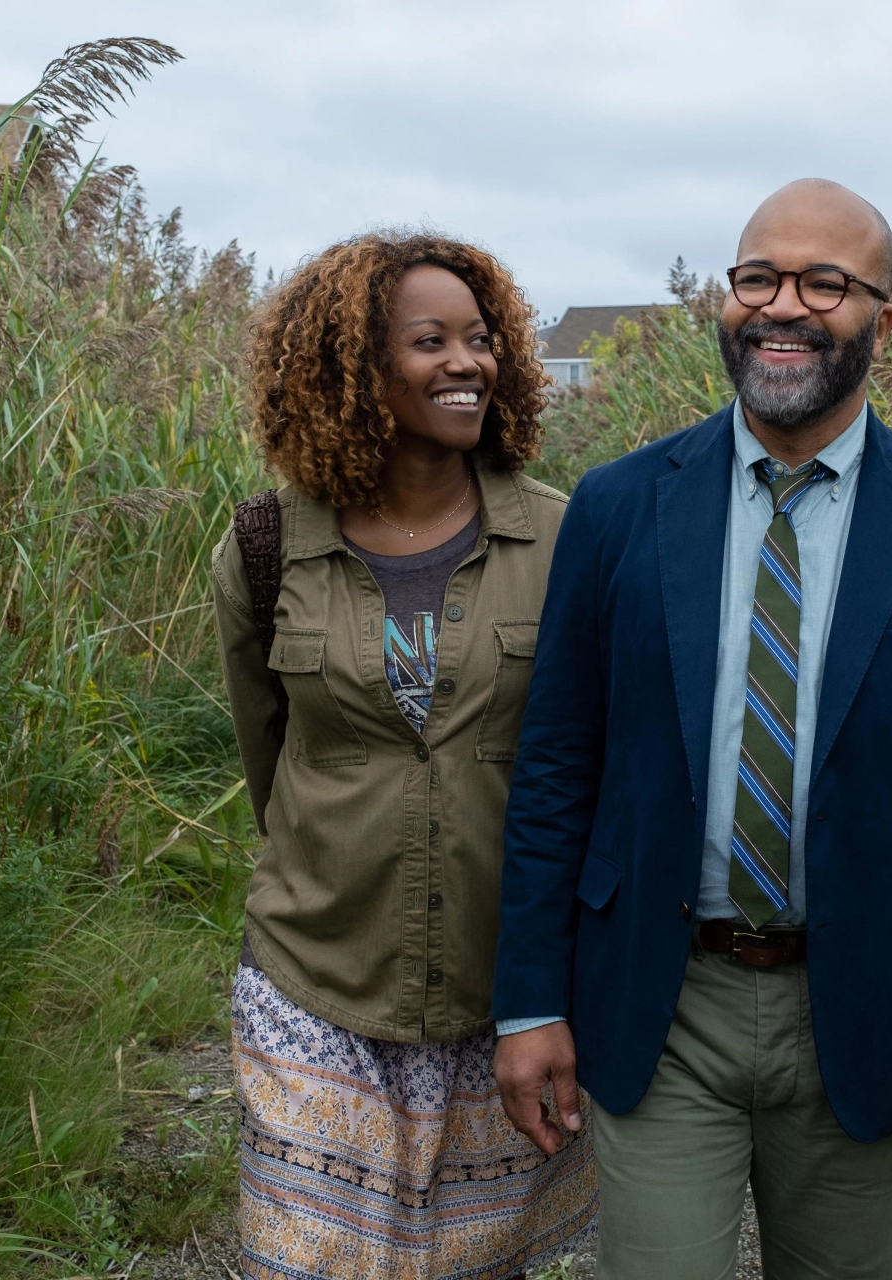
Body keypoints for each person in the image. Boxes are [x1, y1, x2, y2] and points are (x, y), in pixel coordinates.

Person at [490, 179, 892, 1278]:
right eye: (758, 276)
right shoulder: (618, 507)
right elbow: (558, 764)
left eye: (826, 282)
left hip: (857, 1000)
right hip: (661, 998)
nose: (783, 306)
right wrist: (527, 997)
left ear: (884, 321)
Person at [213, 232, 596, 1280]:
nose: (465, 361)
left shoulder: (569, 541)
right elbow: (271, 756)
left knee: (476, 1264)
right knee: (310, 1261)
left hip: (500, 990)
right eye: (430, 340)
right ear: (351, 367)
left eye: (481, 339)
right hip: (314, 975)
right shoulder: (265, 546)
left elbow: (590, 769)